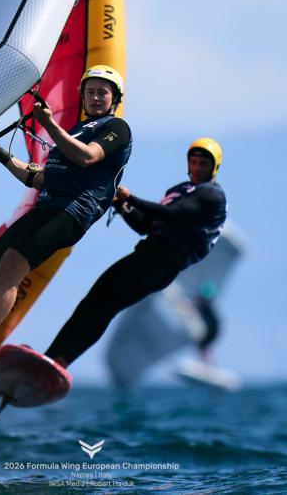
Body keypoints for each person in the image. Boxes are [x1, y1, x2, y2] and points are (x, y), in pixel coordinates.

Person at [0, 66, 132, 345]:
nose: (96, 97)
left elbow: (86, 157)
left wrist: (48, 124)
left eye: (102, 93)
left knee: (11, 266)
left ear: (115, 99)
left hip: (72, 211)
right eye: (91, 92)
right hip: (47, 206)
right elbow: (37, 179)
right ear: (82, 95)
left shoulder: (116, 128)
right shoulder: (74, 131)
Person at [44, 137, 228, 368]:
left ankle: (60, 361)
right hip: (146, 255)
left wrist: (130, 198)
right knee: (93, 301)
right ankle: (50, 357)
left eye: (204, 164)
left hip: (163, 263)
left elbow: (169, 214)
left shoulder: (212, 196)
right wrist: (121, 206)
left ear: (214, 167)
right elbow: (145, 226)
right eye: (194, 162)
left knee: (105, 306)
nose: (198, 168)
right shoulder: (180, 191)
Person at [192, 280, 221, 364]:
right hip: (211, 329)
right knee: (203, 347)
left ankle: (207, 363)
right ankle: (207, 362)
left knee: (203, 346)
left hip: (210, 329)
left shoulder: (205, 307)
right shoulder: (206, 307)